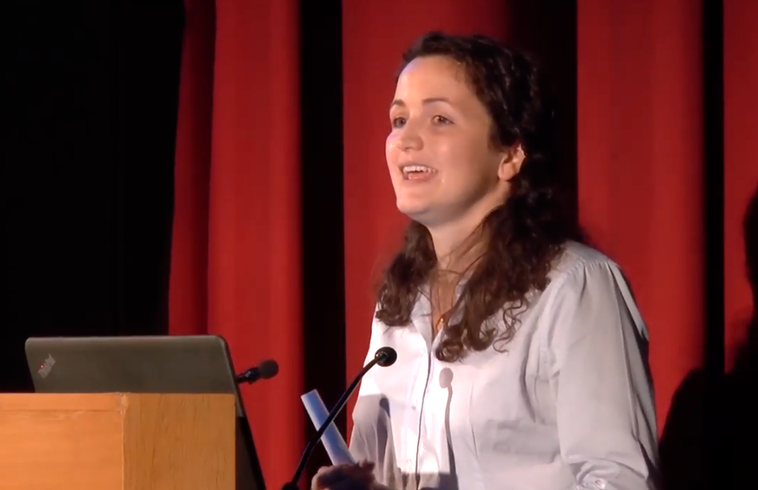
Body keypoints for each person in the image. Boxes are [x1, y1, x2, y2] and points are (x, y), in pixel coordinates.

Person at [312, 31, 659, 490]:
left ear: (511, 154)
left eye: (439, 119)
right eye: (398, 120)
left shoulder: (573, 287)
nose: (405, 140)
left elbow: (621, 482)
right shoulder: (399, 301)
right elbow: (375, 466)